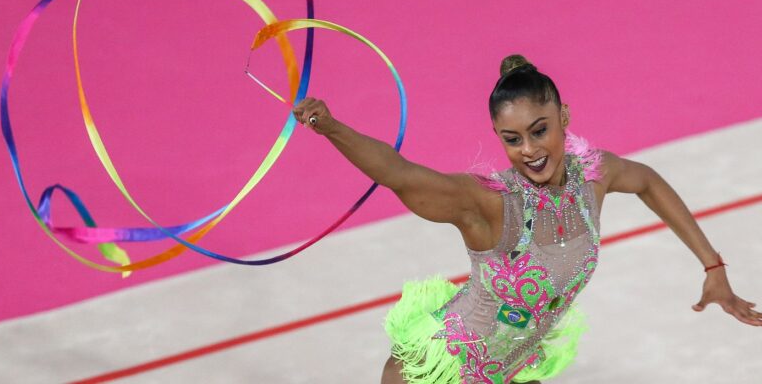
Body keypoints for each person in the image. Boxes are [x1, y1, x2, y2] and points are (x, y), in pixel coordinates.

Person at [292, 54, 761, 384]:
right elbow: (400, 174)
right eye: (513, 139)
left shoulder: (593, 175)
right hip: (438, 373)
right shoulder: (490, 203)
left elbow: (649, 182)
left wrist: (713, 266)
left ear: (564, 117)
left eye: (540, 131)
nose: (530, 150)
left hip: (512, 369)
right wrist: (332, 128)